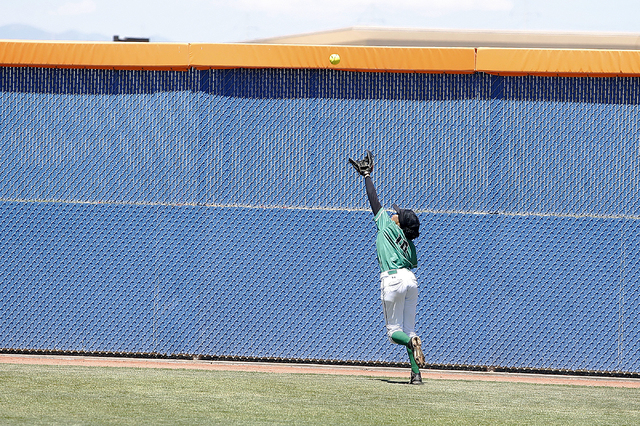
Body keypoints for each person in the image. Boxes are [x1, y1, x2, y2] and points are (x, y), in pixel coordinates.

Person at [349, 150, 425, 385]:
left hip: (391, 280)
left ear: (399, 223)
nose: (394, 213)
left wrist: (367, 176)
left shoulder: (386, 225)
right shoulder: (411, 246)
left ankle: (412, 344)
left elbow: (374, 201)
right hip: (410, 281)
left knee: (395, 334)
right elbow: (411, 261)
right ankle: (416, 374)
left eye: (397, 214)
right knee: (408, 330)